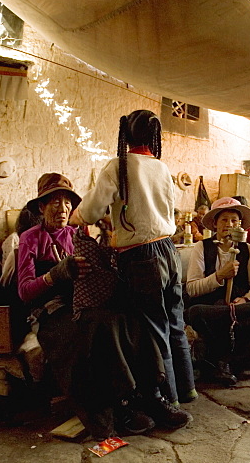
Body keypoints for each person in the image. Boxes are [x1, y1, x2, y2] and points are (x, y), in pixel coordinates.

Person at [18, 173, 182, 437]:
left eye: (67, 203)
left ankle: (151, 396)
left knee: (131, 318)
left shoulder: (78, 234)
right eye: (54, 203)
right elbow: (24, 292)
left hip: (85, 301)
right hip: (54, 310)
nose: (63, 209)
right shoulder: (30, 239)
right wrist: (56, 274)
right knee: (98, 328)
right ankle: (119, 407)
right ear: (41, 207)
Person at [71, 109, 196, 406]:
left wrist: (77, 216)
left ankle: (169, 400)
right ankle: (188, 388)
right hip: (169, 251)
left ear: (125, 134)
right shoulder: (162, 168)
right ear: (155, 136)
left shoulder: (120, 166)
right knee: (174, 323)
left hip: (141, 258)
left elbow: (90, 212)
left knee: (154, 331)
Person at [185, 197, 250, 385]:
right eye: (224, 220)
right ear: (215, 224)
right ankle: (219, 363)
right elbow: (192, 288)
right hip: (212, 307)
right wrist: (219, 276)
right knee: (197, 312)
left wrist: (246, 298)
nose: (229, 225)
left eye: (234, 220)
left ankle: (245, 364)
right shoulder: (202, 247)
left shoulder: (246, 249)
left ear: (240, 225)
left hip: (238, 306)